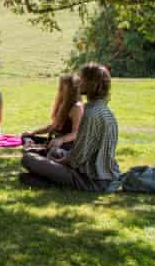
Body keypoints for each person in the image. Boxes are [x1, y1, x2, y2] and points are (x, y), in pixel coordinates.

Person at [20, 63, 119, 191]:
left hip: (90, 178)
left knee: (28, 159)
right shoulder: (106, 111)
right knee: (55, 152)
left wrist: (59, 162)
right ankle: (44, 178)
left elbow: (78, 157)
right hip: (106, 174)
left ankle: (52, 182)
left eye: (82, 79)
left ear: (91, 84)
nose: (79, 83)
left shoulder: (90, 113)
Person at [22, 74, 84, 155]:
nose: (60, 89)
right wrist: (33, 132)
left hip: (67, 145)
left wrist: (61, 140)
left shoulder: (77, 107)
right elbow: (53, 126)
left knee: (31, 152)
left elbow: (76, 133)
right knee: (25, 136)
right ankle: (38, 148)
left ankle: (41, 150)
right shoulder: (63, 103)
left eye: (63, 87)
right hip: (54, 142)